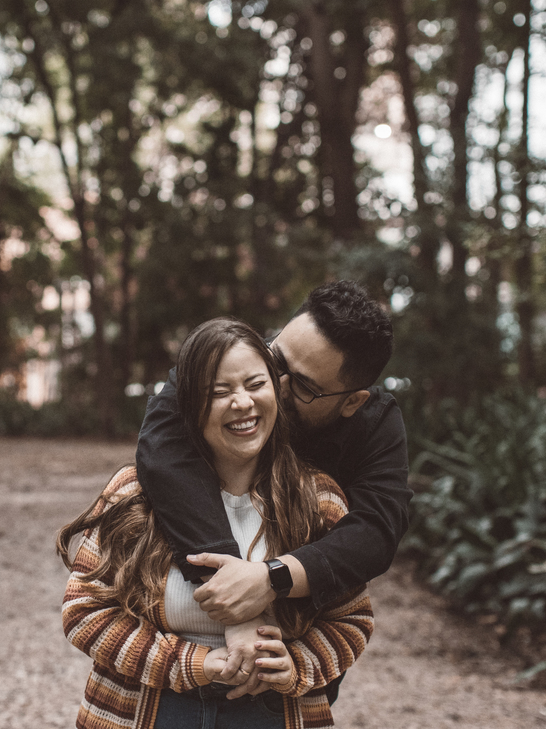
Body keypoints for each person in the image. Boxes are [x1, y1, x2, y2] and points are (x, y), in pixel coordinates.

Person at [58, 318, 373, 729]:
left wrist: (297, 664)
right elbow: (84, 610)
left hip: (272, 712)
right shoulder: (133, 493)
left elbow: (352, 618)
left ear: (276, 391)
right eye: (218, 392)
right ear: (188, 404)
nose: (241, 403)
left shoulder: (318, 500)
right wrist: (196, 664)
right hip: (147, 709)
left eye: (254, 384)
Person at [135, 281, 411, 695]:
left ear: (351, 402)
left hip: (290, 664)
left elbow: (376, 532)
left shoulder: (373, 427)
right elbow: (161, 454)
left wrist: (270, 579)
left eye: (302, 386)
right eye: (275, 357)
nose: (272, 384)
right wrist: (234, 601)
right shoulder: (223, 365)